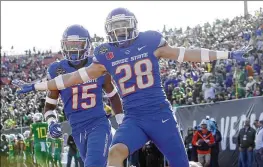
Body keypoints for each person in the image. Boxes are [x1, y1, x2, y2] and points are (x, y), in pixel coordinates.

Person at [15, 8, 249, 167]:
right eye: (115, 28)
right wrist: (37, 86)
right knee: (115, 154)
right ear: (108, 32)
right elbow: (73, 78)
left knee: (180, 164)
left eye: (123, 26)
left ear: (134, 26)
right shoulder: (106, 53)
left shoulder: (150, 41)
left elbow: (186, 54)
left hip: (160, 115)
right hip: (134, 118)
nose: (120, 32)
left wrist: (225, 53)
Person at [42, 24, 123, 167]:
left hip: (98, 124)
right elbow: (49, 106)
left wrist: (121, 121)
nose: (73, 49)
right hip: (77, 128)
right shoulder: (56, 70)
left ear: (87, 45)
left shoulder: (98, 64)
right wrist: (51, 122)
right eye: (69, 44)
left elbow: (113, 95)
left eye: (77, 44)